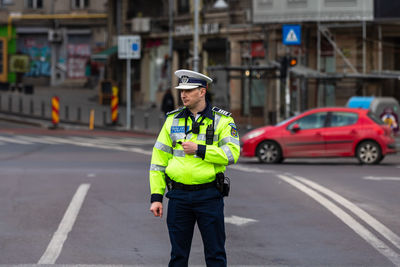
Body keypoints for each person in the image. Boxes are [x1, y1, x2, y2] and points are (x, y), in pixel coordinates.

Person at [149, 69, 240, 266]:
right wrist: (156, 197)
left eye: (189, 90)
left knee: (215, 254)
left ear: (202, 91)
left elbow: (232, 154)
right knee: (178, 256)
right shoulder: (172, 119)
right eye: (181, 90)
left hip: (208, 195)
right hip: (178, 197)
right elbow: (158, 160)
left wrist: (200, 149)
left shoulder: (222, 120)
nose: (183, 94)